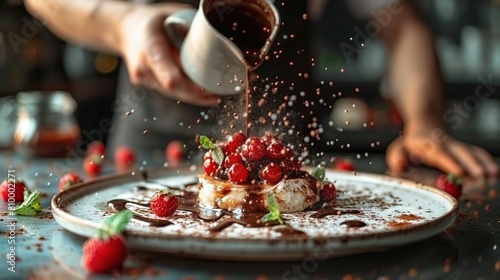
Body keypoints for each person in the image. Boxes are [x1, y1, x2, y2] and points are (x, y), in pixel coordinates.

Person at [23, 0, 498, 179]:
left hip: (285, 168)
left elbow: (403, 25)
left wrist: (424, 123)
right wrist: (120, 22)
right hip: (146, 159)